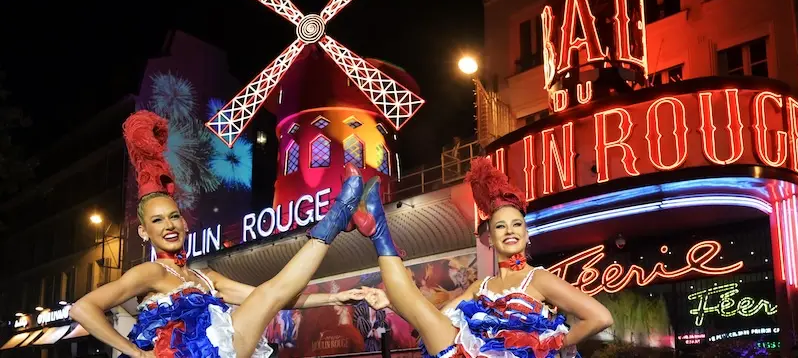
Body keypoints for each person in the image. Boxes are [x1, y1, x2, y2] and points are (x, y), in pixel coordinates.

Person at [69, 110, 371, 358]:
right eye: (158, 221)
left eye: (174, 217)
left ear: (185, 223)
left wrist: (338, 297)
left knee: (268, 292)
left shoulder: (206, 277)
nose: (169, 226)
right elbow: (83, 308)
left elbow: (269, 299)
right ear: (144, 233)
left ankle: (337, 216)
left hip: (216, 351)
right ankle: (339, 214)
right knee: (270, 290)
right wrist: (135, 353)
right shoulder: (150, 272)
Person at [355, 157, 613, 357]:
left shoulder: (538, 278)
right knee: (429, 320)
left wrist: (549, 346)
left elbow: (601, 317)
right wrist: (390, 303)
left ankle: (377, 229)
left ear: (527, 234)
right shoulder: (482, 287)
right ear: (490, 238)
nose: (510, 230)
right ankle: (378, 231)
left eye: (517, 225)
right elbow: (432, 320)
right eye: (500, 226)